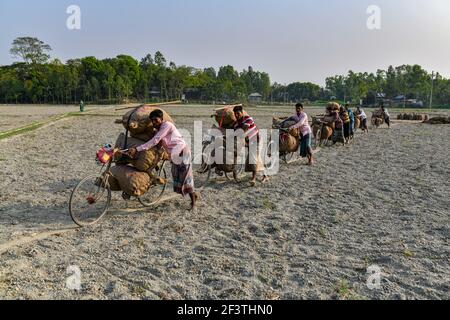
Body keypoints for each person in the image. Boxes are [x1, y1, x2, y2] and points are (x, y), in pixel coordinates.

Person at [128, 109, 198, 209]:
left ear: (161, 119)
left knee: (185, 177)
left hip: (182, 151)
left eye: (156, 120)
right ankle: (194, 195)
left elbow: (155, 140)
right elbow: (159, 145)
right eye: (152, 121)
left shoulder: (167, 125)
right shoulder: (158, 130)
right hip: (173, 155)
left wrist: (137, 149)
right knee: (177, 177)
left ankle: (193, 203)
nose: (154, 122)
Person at [233, 105, 268, 186]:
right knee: (257, 158)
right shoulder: (236, 124)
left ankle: (253, 179)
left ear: (242, 113)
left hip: (257, 141)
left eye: (238, 113)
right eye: (235, 114)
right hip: (249, 143)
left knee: (253, 158)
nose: (237, 115)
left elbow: (245, 128)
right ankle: (265, 175)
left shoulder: (248, 119)